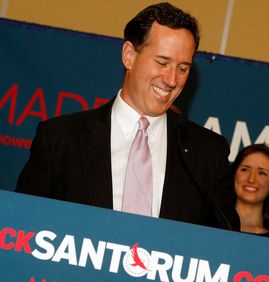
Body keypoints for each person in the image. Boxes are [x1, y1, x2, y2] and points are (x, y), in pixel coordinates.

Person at [15, 2, 239, 231]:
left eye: (183, 68)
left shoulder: (208, 154)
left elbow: (226, 246)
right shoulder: (60, 139)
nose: (172, 80)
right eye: (162, 62)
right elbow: (23, 228)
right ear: (129, 55)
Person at [231, 144, 269, 238]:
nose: (251, 179)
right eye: (245, 170)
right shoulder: (209, 226)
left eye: (262, 173)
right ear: (233, 175)